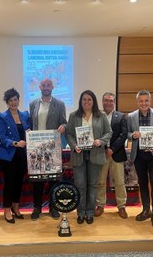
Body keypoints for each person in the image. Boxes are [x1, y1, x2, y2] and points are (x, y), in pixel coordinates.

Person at [66, 90, 112, 224]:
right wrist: (74, 145)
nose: (86, 102)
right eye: (84, 99)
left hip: (95, 154)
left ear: (94, 101)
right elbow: (68, 134)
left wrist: (101, 141)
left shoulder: (101, 115)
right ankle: (80, 212)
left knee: (92, 185)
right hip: (79, 154)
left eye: (89, 100)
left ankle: (90, 212)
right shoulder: (73, 115)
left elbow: (109, 132)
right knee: (80, 185)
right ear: (81, 101)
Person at [127, 90, 153, 228]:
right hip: (139, 155)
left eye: (146, 101)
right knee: (143, 183)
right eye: (141, 101)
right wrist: (133, 135)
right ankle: (146, 210)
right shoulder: (131, 116)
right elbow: (126, 133)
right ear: (137, 102)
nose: (144, 103)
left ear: (150, 101)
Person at [29, 79, 67, 221]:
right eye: (43, 85)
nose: (46, 88)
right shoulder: (33, 104)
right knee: (37, 179)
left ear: (52, 87)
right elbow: (31, 124)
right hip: (37, 147)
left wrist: (63, 127)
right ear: (40, 87)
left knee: (53, 179)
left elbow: (64, 122)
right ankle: (37, 207)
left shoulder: (60, 104)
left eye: (48, 85)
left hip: (52, 148)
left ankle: (53, 207)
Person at [0, 88, 30, 224]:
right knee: (9, 182)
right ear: (7, 102)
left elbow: (28, 131)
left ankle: (16, 207)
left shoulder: (25, 115)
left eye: (15, 99)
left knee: (19, 182)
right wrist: (15, 143)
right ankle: (7, 210)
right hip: (8, 154)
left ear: (19, 100)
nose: (13, 102)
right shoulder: (2, 117)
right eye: (10, 100)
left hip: (22, 154)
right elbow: (2, 137)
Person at [95, 92, 128, 219]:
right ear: (102, 102)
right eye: (106, 100)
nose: (108, 103)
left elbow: (123, 134)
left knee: (119, 181)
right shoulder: (97, 116)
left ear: (114, 102)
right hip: (100, 153)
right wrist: (103, 148)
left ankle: (121, 206)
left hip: (117, 154)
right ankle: (100, 205)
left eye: (111, 100)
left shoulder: (120, 116)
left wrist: (112, 149)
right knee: (100, 181)